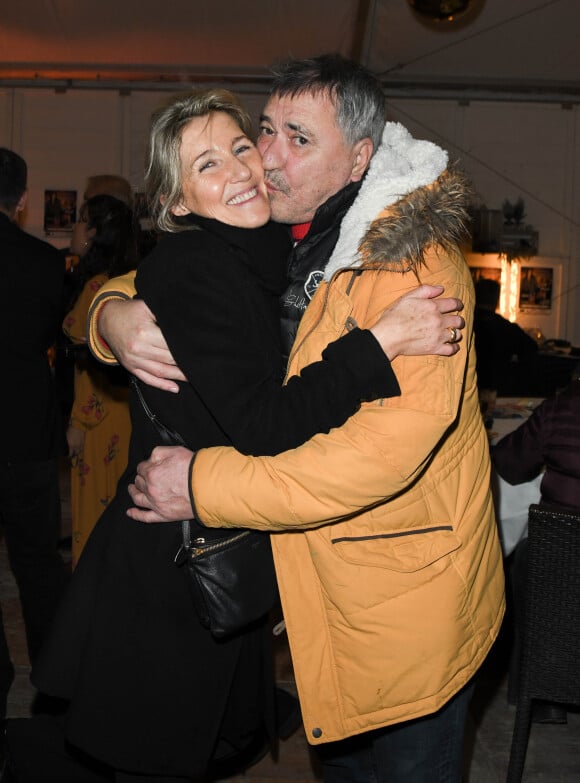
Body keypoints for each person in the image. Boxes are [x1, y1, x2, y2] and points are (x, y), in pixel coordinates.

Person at [21, 86, 462, 783]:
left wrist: (114, 306)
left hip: (227, 553)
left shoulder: (268, 256)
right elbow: (265, 422)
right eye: (208, 165)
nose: (249, 166)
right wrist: (377, 343)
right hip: (175, 572)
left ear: (359, 159)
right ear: (177, 203)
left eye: (241, 146)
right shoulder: (202, 264)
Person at [0, 148, 69, 721]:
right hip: (26, 434)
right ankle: (51, 680)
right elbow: (57, 337)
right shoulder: (45, 263)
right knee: (40, 567)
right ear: (21, 200)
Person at [492, 378, 580, 724]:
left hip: (564, 566)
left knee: (535, 558)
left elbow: (511, 464)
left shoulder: (566, 405)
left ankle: (544, 691)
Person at [63, 195, 138, 567]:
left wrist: (78, 422)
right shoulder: (125, 281)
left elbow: (89, 366)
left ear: (94, 234)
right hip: (125, 414)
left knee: (95, 513)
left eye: (80, 221)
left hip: (98, 417)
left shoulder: (97, 287)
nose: (75, 228)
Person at [473, 277, 538, 396]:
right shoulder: (506, 327)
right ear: (496, 300)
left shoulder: (465, 324)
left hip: (467, 388)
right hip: (497, 390)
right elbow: (532, 349)